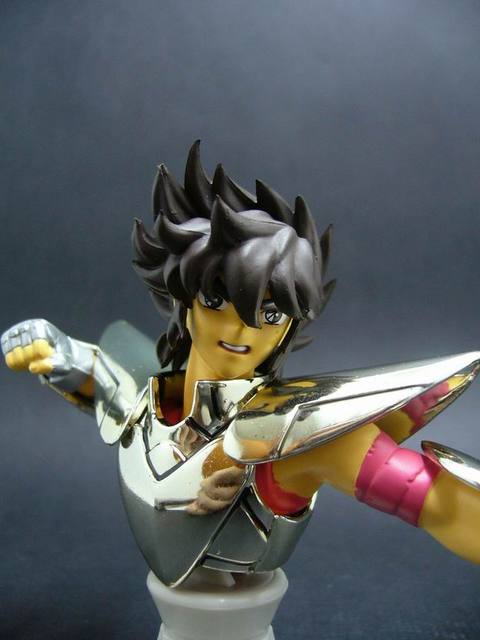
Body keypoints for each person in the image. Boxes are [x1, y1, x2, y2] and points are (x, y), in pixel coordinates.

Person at [2, 141, 480, 589]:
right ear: (185, 303)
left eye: (269, 314)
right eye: (216, 300)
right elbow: (102, 379)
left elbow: (433, 501)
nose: (240, 330)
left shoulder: (293, 435)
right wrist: (55, 350)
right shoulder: (148, 398)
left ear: (289, 327)